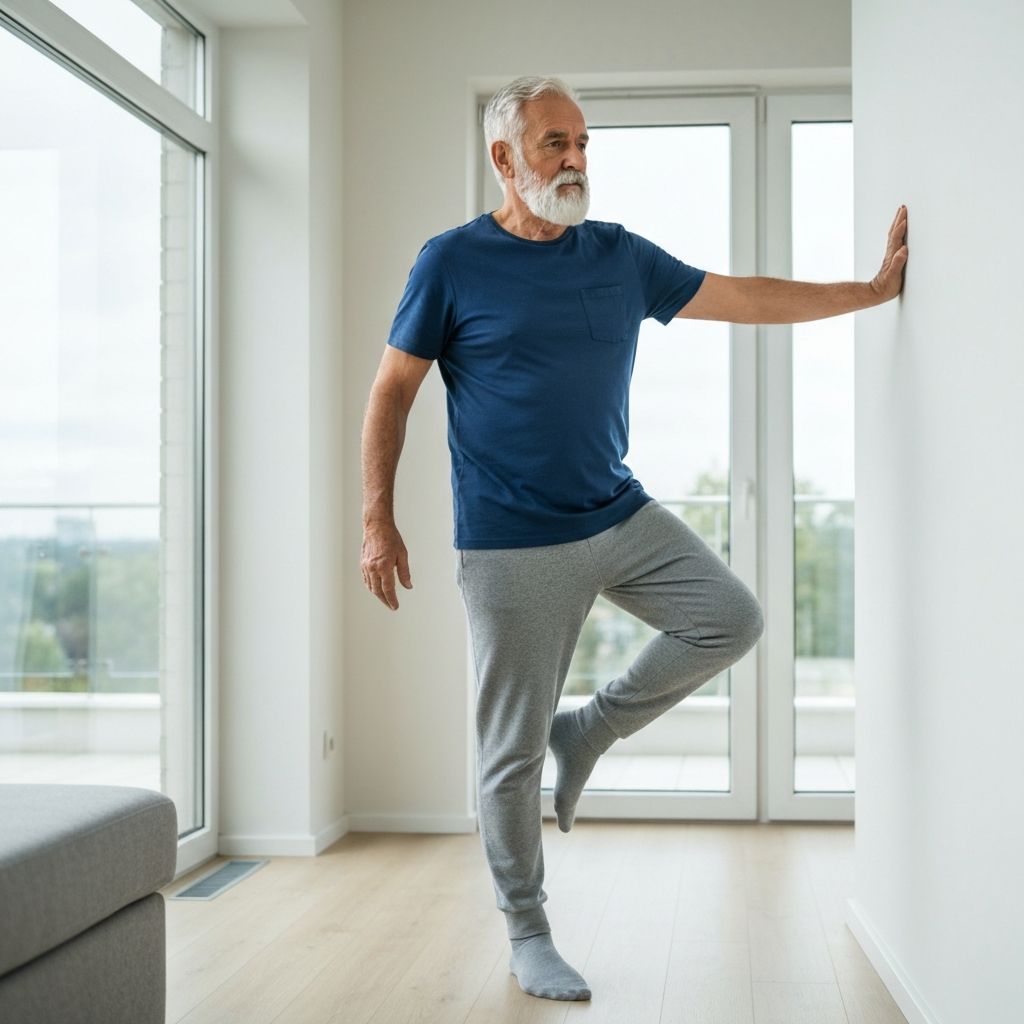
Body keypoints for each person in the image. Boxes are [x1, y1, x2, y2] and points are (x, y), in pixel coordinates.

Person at [360, 75, 908, 1003]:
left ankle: (592, 730)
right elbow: (392, 391)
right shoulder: (449, 262)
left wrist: (868, 291)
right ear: (505, 158)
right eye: (553, 145)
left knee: (730, 618)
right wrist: (378, 517)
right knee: (508, 754)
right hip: (508, 544)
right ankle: (528, 932)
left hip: (618, 514)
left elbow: (742, 296)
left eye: (581, 143)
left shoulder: (618, 256)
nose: (574, 160)